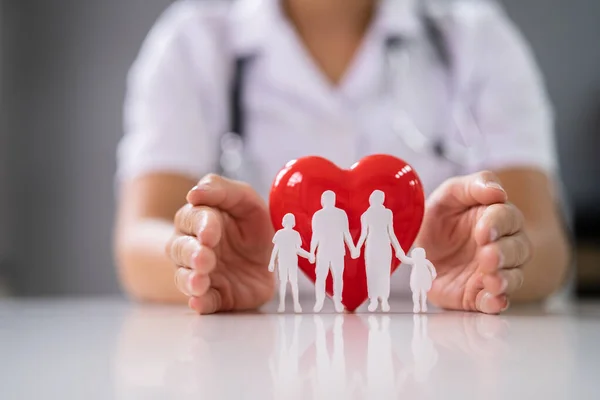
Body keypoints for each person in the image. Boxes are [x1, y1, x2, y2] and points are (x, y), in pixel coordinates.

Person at [115, 0, 570, 315]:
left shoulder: (474, 36)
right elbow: (140, 238)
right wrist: (203, 256)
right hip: (255, 357)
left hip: (445, 352)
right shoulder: (191, 42)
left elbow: (545, 242)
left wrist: (491, 259)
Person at [355, 190, 404, 313]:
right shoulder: (365, 215)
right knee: (372, 272)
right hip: (371, 246)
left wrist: (398, 248)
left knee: (383, 272)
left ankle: (384, 299)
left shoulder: (387, 213)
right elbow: (363, 234)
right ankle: (374, 299)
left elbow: (391, 232)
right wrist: (357, 248)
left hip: (384, 245)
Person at [310, 191, 356, 313]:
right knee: (327, 276)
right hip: (327, 250)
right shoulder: (319, 215)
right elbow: (316, 235)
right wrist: (311, 252)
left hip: (334, 250)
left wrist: (352, 248)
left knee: (333, 276)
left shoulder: (339, 214)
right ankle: (321, 301)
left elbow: (345, 233)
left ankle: (337, 301)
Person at [269, 213, 313, 313]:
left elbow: (298, 250)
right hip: (284, 261)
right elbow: (276, 249)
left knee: (291, 283)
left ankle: (295, 304)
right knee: (286, 283)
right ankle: (282, 305)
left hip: (290, 262)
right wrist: (271, 262)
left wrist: (309, 255)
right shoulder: (280, 234)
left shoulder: (295, 235)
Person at [399, 248, 437, 313]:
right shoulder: (414, 261)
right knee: (416, 292)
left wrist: (433, 274)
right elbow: (405, 260)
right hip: (416, 278)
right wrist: (400, 255)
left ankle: (423, 305)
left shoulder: (425, 261)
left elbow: (432, 268)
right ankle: (417, 305)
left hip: (424, 278)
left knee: (423, 292)